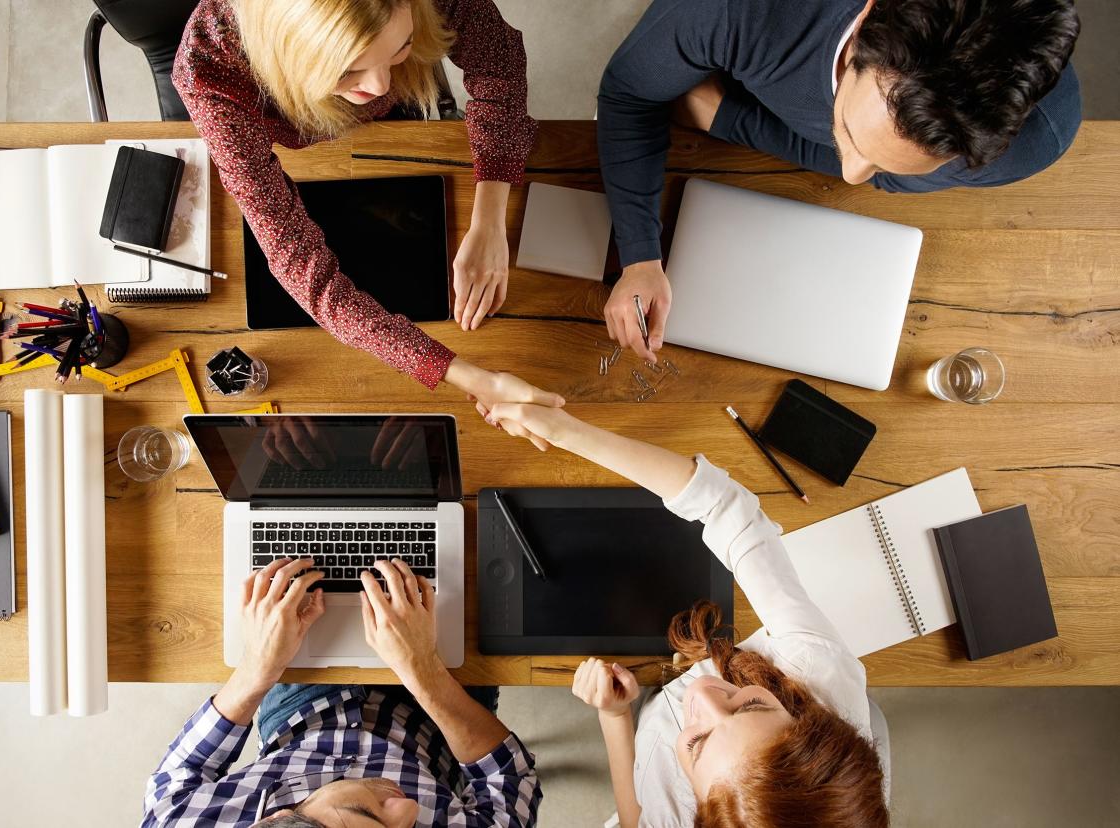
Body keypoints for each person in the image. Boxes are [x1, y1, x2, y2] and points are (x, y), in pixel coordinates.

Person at [596, 0, 1081, 364]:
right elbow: (628, 93)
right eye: (849, 133)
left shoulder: (1031, 140)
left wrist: (731, 120)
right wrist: (639, 255)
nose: (850, 174)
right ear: (868, 23)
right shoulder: (736, 11)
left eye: (884, 163)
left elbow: (885, 183)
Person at [482, 402, 888, 827]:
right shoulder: (818, 668)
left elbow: (635, 820)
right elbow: (728, 511)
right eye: (749, 707)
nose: (704, 693)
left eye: (698, 743)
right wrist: (565, 431)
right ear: (813, 726)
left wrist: (615, 716)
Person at [172, 0, 554, 415]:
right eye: (348, 70)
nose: (381, 85)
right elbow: (305, 272)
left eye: (401, 47)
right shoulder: (209, 71)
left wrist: (490, 219)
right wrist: (468, 376)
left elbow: (500, 64)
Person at [142, 558, 541, 826]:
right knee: (488, 567)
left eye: (365, 812)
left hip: (300, 708)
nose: (408, 810)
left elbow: (178, 776)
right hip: (439, 728)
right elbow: (509, 778)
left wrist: (258, 667)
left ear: (279, 817)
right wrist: (423, 670)